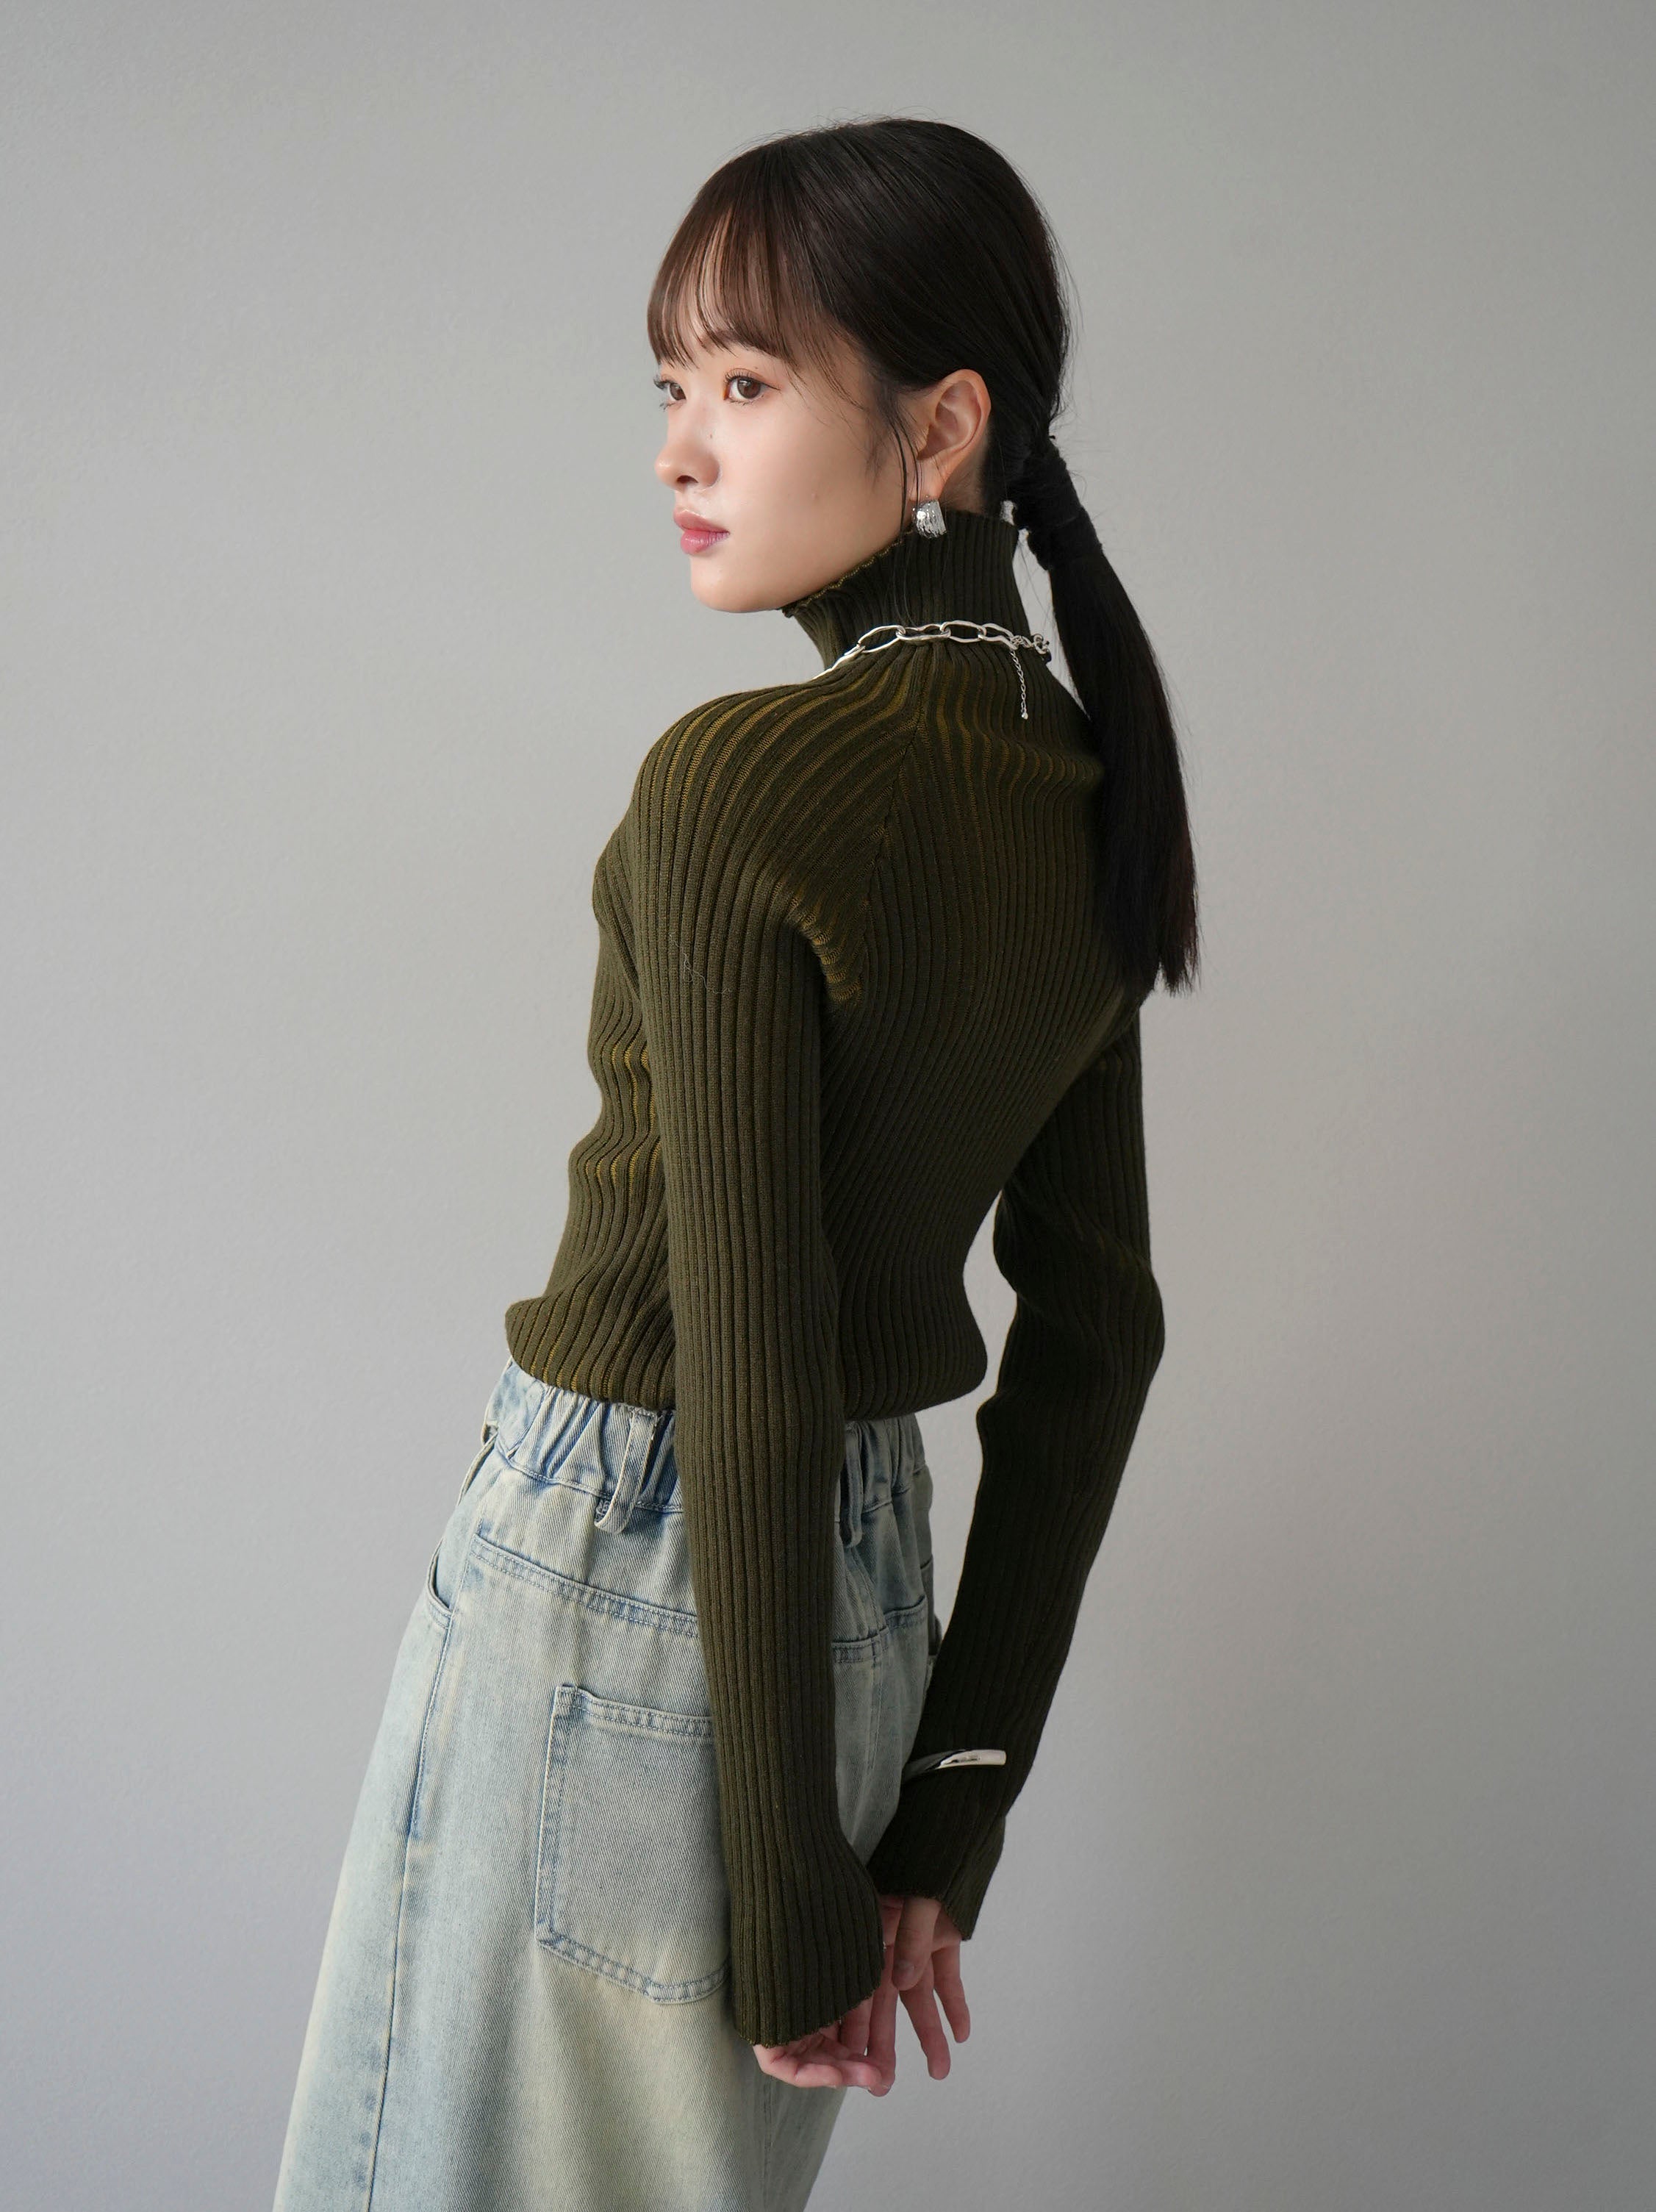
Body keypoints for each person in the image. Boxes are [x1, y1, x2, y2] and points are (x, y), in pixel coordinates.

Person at [272, 114, 1197, 2212]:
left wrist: (784, 1883)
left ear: (940, 429)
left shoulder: (738, 785)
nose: (680, 449)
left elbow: (749, 1356)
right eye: (673, 386)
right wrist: (946, 1805)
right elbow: (1099, 1339)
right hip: (855, 1627)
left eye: (748, 384)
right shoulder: (1084, 790)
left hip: (621, 1591)